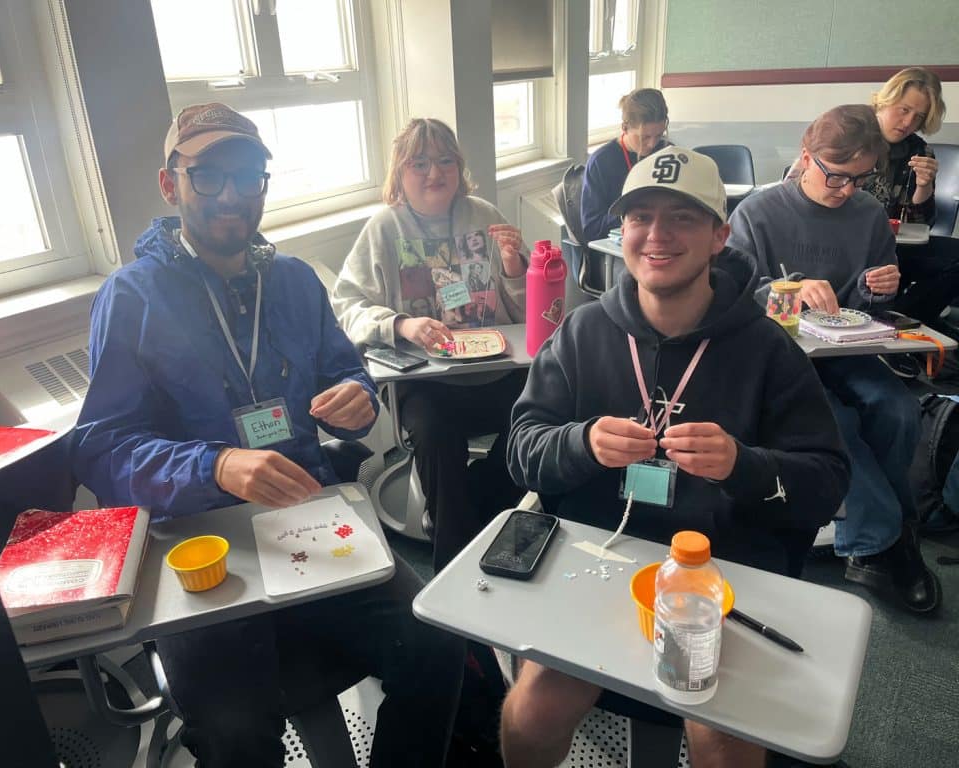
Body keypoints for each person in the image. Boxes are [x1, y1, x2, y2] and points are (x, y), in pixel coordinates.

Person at [72, 103, 464, 767]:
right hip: (200, 548)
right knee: (236, 731)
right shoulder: (132, 297)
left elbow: (345, 373)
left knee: (438, 645)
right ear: (170, 184)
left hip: (307, 521)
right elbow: (101, 448)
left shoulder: (295, 282)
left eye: (249, 176)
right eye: (209, 176)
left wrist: (358, 399)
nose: (232, 194)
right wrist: (215, 465)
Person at [503, 147, 850, 768]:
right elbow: (522, 449)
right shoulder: (581, 333)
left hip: (722, 580)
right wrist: (581, 443)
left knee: (723, 746)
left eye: (682, 218)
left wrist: (742, 464)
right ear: (622, 232)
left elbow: (827, 485)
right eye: (640, 217)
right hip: (596, 563)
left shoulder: (769, 351)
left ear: (720, 236)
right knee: (532, 714)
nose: (657, 235)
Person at [728, 104, 942, 614]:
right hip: (776, 354)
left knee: (898, 408)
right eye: (837, 176)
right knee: (835, 420)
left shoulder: (868, 214)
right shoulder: (757, 213)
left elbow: (869, 302)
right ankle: (886, 543)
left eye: (860, 179)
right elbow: (732, 292)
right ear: (806, 157)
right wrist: (788, 290)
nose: (848, 190)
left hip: (845, 348)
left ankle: (876, 532)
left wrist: (881, 286)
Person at [332, 117, 529, 572]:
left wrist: (515, 269)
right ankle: (452, 569)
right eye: (419, 164)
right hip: (427, 385)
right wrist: (400, 324)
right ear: (399, 173)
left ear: (459, 168)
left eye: (445, 162)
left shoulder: (485, 215)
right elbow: (346, 306)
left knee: (542, 418)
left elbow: (526, 314)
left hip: (498, 373)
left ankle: (475, 501)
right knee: (436, 435)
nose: (434, 173)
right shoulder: (384, 229)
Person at [868, 67, 959, 326]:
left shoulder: (919, 150)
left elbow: (920, 227)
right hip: (848, 246)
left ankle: (900, 320)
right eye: (904, 110)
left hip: (895, 247)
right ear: (886, 100)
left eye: (918, 117)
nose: (908, 122)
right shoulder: (852, 132)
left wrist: (924, 187)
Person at [580, 87, 670, 242]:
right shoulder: (601, 162)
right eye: (644, 137)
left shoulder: (667, 152)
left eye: (659, 135)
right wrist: (632, 212)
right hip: (620, 247)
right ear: (624, 128)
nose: (652, 144)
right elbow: (592, 229)